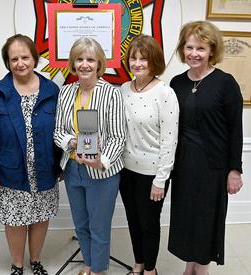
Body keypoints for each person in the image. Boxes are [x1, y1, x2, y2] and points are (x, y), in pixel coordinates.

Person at [0, 34, 60, 275]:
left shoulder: (51, 90)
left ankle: (36, 261)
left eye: (25, 57)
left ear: (34, 58)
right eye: (14, 59)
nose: (20, 63)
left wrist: (61, 166)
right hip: (9, 172)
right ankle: (17, 265)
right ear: (8, 62)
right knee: (14, 221)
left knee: (40, 217)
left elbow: (63, 129)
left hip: (45, 170)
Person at [168, 21, 243, 275]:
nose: (194, 53)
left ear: (212, 50)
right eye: (189, 47)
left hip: (212, 167)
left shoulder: (225, 83)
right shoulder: (176, 83)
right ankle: (190, 268)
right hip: (183, 166)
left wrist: (235, 171)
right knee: (187, 219)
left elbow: (235, 131)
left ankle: (201, 271)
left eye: (200, 48)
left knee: (205, 221)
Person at [54, 37, 126, 275]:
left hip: (101, 171)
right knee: (81, 225)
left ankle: (99, 269)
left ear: (99, 64)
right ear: (73, 64)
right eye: (79, 59)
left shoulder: (111, 94)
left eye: (90, 59)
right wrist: (71, 142)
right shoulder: (65, 92)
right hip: (73, 169)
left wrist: (101, 161)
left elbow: (118, 137)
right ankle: (88, 263)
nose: (84, 64)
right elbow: (58, 131)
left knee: (99, 226)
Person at [120, 35, 179, 275]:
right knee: (133, 221)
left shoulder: (165, 93)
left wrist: (160, 179)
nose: (137, 63)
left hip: (152, 173)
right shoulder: (124, 89)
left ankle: (151, 270)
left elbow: (169, 140)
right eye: (133, 58)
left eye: (143, 59)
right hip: (126, 170)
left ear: (154, 61)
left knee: (149, 224)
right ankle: (139, 263)